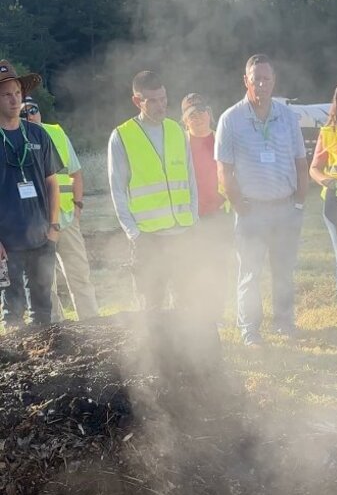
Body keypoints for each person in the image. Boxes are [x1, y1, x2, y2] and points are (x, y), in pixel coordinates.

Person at [215, 54, 308, 347]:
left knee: (283, 271)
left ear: (274, 81)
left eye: (267, 79)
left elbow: (300, 162)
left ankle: (284, 323)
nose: (262, 84)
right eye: (256, 79)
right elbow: (224, 170)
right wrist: (240, 205)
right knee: (250, 274)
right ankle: (250, 330)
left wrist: (299, 204)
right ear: (246, 81)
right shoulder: (230, 119)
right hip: (252, 211)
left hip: (284, 208)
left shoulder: (287, 117)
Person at [108, 70, 198, 311]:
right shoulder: (122, 137)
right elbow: (117, 190)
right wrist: (134, 234)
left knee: (186, 303)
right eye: (154, 100)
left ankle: (185, 349)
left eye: (164, 98)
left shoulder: (177, 131)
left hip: (182, 233)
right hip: (148, 238)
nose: (161, 105)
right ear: (137, 101)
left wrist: (193, 220)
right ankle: (154, 350)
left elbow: (190, 180)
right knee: (151, 307)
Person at [20, 96, 98, 322]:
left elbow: (76, 173)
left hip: (66, 219)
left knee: (80, 275)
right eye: (25, 112)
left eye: (33, 110)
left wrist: (78, 206)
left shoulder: (57, 133)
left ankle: (92, 322)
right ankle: (57, 330)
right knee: (45, 281)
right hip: (38, 225)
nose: (30, 115)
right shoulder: (14, 139)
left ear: (40, 112)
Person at [0, 60, 61, 327]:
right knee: (13, 311)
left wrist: (54, 226)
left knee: (43, 309)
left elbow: (52, 182)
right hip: (7, 242)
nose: (14, 100)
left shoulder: (38, 134)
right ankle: (16, 366)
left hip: (41, 236)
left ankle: (49, 363)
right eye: (6, 95)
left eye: (17, 93)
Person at [181, 92, 230, 320]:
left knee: (217, 265)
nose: (198, 117)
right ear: (185, 119)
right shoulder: (179, 143)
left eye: (202, 112)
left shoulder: (222, 137)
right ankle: (193, 315)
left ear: (210, 113)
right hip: (188, 217)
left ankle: (216, 314)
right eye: (192, 115)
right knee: (191, 266)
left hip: (219, 213)